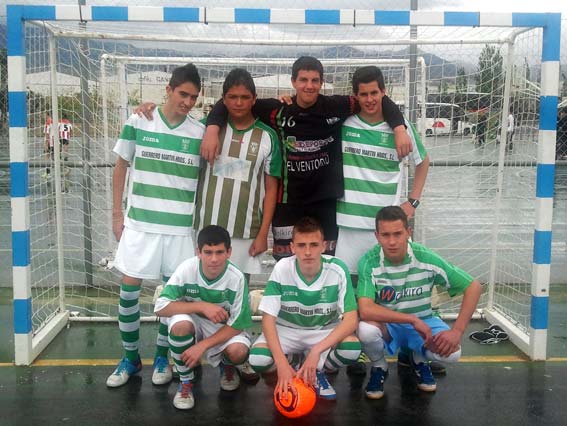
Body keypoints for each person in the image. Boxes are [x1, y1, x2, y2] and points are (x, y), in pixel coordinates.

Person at [202, 56, 411, 261]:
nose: (309, 86)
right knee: (286, 262)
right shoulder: (278, 109)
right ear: (293, 82)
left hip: (325, 202)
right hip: (289, 202)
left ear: (321, 82)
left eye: (314, 80)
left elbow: (378, 98)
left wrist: (399, 128)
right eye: (303, 80)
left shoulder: (337, 106)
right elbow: (232, 100)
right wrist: (212, 130)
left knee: (325, 262)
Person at [106, 63, 205, 389]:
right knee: (129, 290)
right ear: (169, 89)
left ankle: (162, 357)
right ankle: (130, 358)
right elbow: (121, 167)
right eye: (183, 94)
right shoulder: (139, 120)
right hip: (140, 224)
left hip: (178, 230)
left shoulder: (200, 131)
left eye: (193, 96)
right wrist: (117, 215)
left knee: (169, 297)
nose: (188, 101)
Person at [334, 66, 431, 376]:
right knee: (352, 292)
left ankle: (409, 349)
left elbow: (423, 161)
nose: (369, 99)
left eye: (374, 93)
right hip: (348, 224)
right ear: (355, 96)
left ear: (383, 92)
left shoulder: (400, 127)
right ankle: (363, 351)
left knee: (400, 289)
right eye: (363, 94)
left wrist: (413, 201)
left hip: (386, 228)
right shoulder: (344, 125)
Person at [356, 206, 482, 399]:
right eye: (385, 235)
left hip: (424, 323)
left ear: (408, 232)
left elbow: (473, 286)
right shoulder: (369, 262)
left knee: (453, 354)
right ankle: (379, 366)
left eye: (398, 234)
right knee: (365, 329)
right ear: (377, 236)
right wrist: (410, 320)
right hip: (391, 326)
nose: (392, 241)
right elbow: (365, 309)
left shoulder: (426, 258)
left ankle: (419, 358)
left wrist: (457, 331)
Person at [248, 217, 361, 401]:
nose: (308, 252)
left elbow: (350, 320)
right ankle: (291, 367)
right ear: (292, 248)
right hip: (287, 330)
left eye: (314, 245)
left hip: (321, 331)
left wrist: (317, 351)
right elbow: (268, 319)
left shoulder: (337, 268)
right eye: (301, 245)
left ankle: (317, 371)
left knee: (352, 348)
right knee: (257, 359)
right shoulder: (282, 267)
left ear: (324, 246)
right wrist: (281, 363)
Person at [154, 225, 254, 410]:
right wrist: (201, 306)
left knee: (238, 352)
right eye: (208, 252)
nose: (214, 259)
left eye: (219, 252)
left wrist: (202, 346)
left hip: (224, 328)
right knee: (179, 326)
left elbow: (238, 324)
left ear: (229, 252)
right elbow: (160, 307)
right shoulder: (187, 268)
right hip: (195, 322)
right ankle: (185, 383)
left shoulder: (237, 278)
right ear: (198, 252)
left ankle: (228, 365)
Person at [193, 68, 282, 276]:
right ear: (223, 99)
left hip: (246, 231)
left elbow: (271, 190)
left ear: (254, 100)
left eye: (245, 97)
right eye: (233, 97)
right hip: (205, 225)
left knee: (238, 289)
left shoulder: (268, 136)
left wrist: (263, 234)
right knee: (202, 287)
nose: (239, 103)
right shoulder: (205, 130)